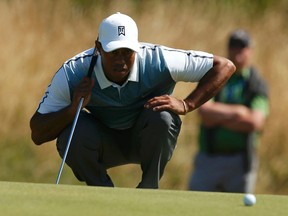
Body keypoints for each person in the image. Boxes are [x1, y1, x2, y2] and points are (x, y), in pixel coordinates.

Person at [30, 12, 235, 189]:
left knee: (163, 116)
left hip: (145, 139)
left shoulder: (159, 60)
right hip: (103, 142)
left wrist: (186, 104)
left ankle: (148, 190)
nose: (120, 59)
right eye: (113, 52)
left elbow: (225, 66)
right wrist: (73, 108)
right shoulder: (74, 73)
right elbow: (38, 133)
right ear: (99, 48)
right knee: (71, 132)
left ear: (136, 48)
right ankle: (101, 193)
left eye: (127, 52)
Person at [188, 29, 269, 193]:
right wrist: (239, 113)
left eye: (242, 47)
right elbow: (203, 111)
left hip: (240, 161)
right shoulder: (215, 76)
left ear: (250, 51)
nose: (237, 50)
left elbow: (254, 122)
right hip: (209, 158)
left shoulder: (256, 83)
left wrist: (218, 117)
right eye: (234, 46)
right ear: (228, 48)